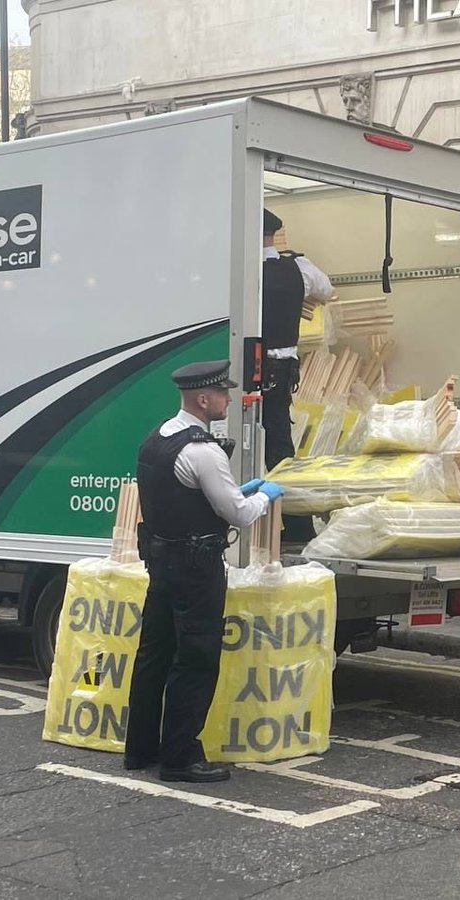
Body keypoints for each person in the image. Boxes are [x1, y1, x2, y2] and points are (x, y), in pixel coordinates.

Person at [126, 360, 284, 783]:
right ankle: (180, 758)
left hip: (160, 560)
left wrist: (234, 492)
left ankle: (140, 749)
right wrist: (264, 496)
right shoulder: (203, 450)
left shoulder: (156, 437)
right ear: (202, 399)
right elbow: (238, 514)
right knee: (194, 659)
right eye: (222, 394)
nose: (228, 399)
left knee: (153, 654)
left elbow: (184, 496)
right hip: (196, 567)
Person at [262, 208, 334, 541]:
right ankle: (297, 525)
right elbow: (326, 290)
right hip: (281, 372)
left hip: (245, 370)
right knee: (279, 448)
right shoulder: (298, 268)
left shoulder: (240, 267)